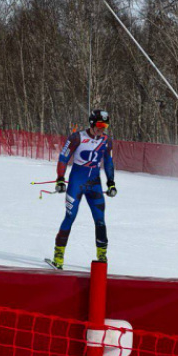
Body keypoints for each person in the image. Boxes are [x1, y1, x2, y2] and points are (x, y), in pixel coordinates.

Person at [49, 109, 117, 269]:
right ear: (92, 123)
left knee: (100, 220)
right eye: (100, 125)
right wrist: (60, 179)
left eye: (105, 126)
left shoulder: (106, 140)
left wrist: (111, 182)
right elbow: (63, 158)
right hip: (76, 184)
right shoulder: (77, 137)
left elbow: (108, 162)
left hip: (94, 185)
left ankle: (102, 256)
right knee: (70, 217)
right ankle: (58, 255)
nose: (102, 129)